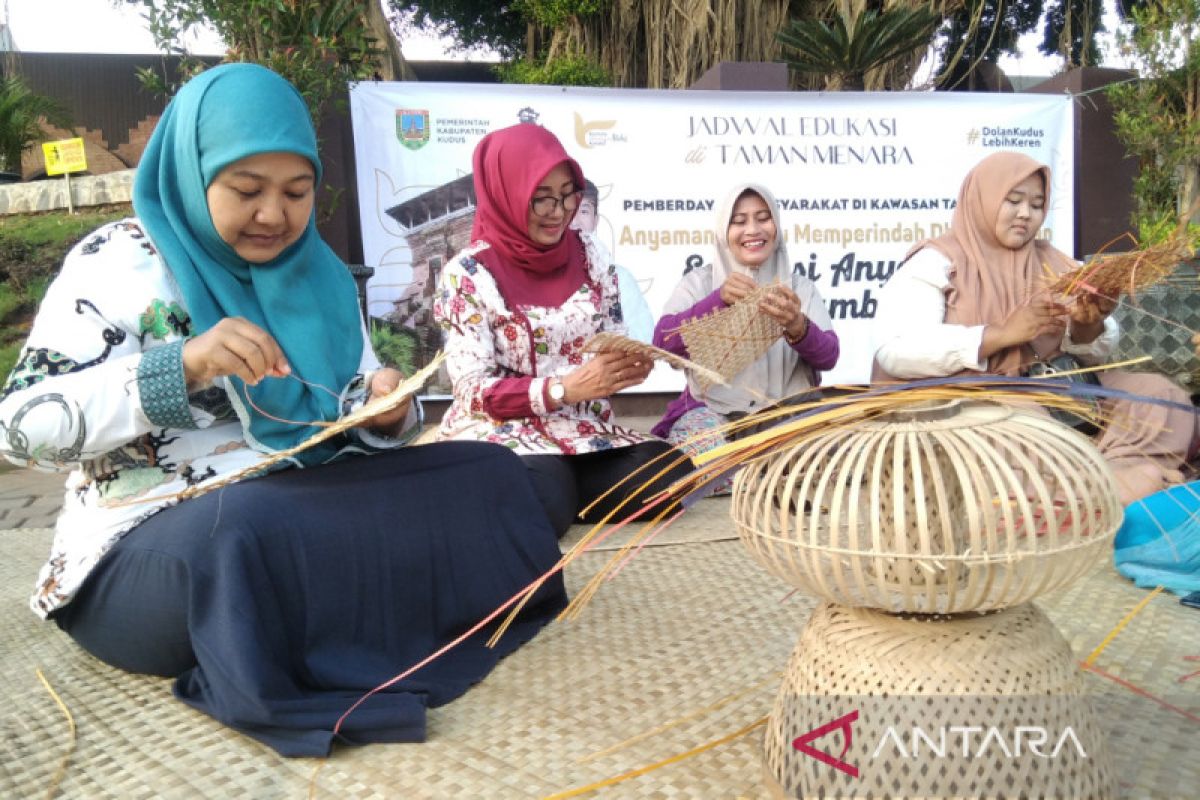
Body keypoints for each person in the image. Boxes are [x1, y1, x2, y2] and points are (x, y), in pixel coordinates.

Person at [0, 64, 565, 757]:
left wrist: (384, 412)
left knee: (490, 471)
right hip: (145, 552)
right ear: (191, 171)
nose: (275, 215)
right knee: (244, 529)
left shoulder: (317, 272)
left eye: (297, 193)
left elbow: (345, 409)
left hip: (296, 503)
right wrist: (180, 367)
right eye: (246, 190)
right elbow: (22, 428)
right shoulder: (120, 262)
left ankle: (338, 615)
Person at [872, 151, 1197, 505]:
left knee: (1158, 396)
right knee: (1024, 423)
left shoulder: (1053, 261)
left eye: (1037, 204)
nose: (1026, 214)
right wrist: (1002, 333)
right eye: (1013, 201)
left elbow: (1090, 349)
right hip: (970, 397)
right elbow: (896, 351)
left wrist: (1089, 326)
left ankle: (1116, 472)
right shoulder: (938, 261)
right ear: (982, 200)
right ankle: (1106, 487)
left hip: (1054, 388)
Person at [433, 123, 693, 537]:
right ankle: (556, 491)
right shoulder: (468, 274)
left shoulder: (589, 253)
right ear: (507, 194)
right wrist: (562, 389)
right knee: (534, 491)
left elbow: (610, 332)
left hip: (584, 432)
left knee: (672, 473)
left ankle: (564, 491)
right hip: (509, 435)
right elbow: (472, 391)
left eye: (567, 193)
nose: (559, 211)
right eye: (541, 198)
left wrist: (624, 365)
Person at [650, 183, 840, 464]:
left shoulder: (800, 288)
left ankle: (758, 471)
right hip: (717, 416)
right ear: (723, 233)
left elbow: (829, 356)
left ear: (776, 225)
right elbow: (663, 342)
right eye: (739, 222)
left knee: (824, 457)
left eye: (763, 218)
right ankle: (755, 473)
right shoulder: (700, 283)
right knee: (700, 459)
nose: (753, 230)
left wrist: (798, 326)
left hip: (784, 415)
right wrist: (718, 301)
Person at [570, 179, 655, 342]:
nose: (574, 222)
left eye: (584, 211)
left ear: (596, 220)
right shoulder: (542, 276)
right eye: (569, 211)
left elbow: (644, 339)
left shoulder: (619, 278)